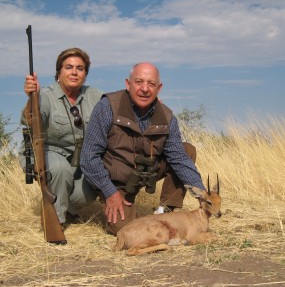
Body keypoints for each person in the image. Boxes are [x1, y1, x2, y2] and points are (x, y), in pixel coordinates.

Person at [80, 62, 207, 235]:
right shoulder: (107, 107)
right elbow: (89, 156)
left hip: (148, 174)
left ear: (159, 88)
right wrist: (109, 192)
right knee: (127, 230)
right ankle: (147, 219)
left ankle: (166, 211)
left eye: (151, 84)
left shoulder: (168, 117)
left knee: (186, 150)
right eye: (139, 82)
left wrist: (202, 194)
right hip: (115, 183)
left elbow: (179, 159)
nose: (145, 89)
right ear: (128, 84)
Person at [19, 47, 102, 227]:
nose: (74, 72)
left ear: (85, 74)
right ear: (59, 72)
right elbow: (32, 122)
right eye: (68, 67)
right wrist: (31, 97)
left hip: (78, 158)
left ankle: (69, 210)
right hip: (47, 152)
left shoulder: (94, 95)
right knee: (59, 169)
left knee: (86, 193)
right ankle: (55, 222)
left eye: (80, 68)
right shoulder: (46, 95)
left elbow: (117, 107)